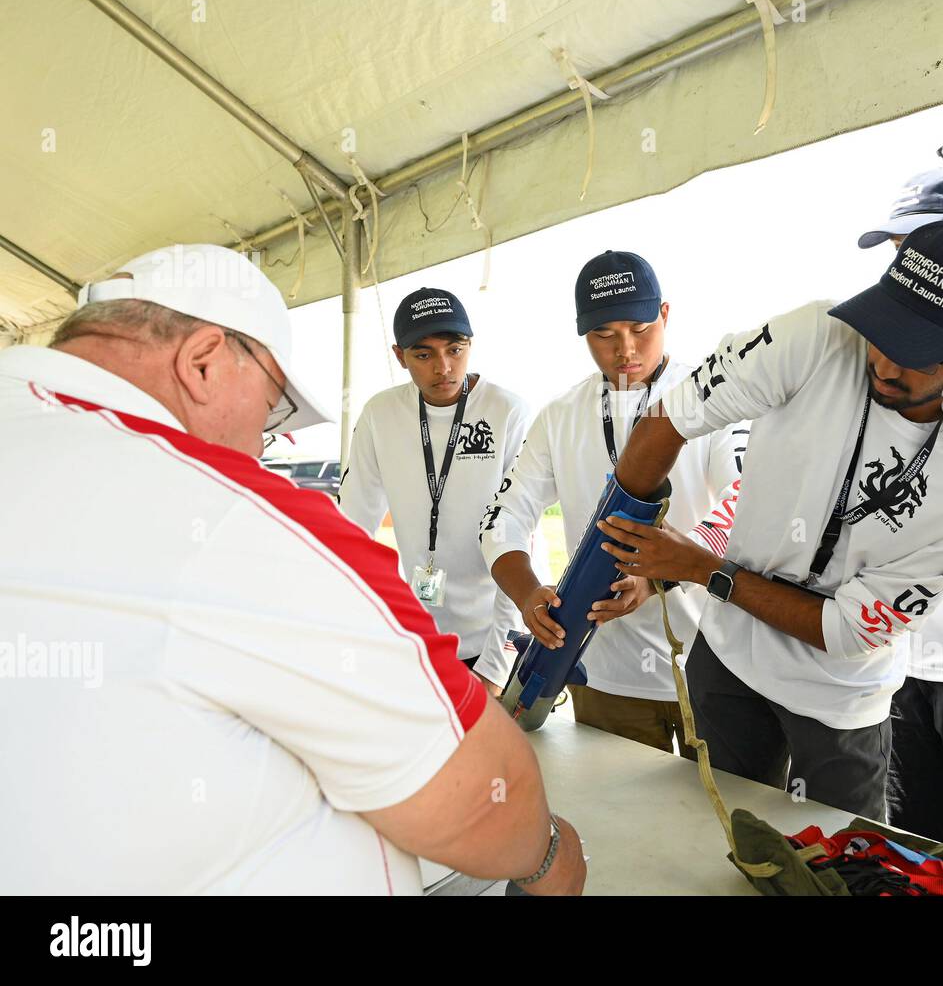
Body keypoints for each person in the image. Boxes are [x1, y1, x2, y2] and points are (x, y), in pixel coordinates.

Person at [0, 244, 583, 895]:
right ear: (202, 362)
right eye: (274, 410)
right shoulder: (232, 514)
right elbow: (481, 794)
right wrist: (549, 855)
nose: (262, 444)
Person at [600, 219, 943, 819]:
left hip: (840, 701)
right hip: (727, 659)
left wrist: (702, 570)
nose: (885, 360)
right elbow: (672, 417)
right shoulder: (815, 337)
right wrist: (614, 541)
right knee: (711, 846)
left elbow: (847, 631)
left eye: (918, 353)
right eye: (885, 328)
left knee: (845, 869)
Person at [481, 250, 747, 755]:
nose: (625, 348)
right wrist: (527, 592)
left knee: (720, 825)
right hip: (603, 676)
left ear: (665, 315)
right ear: (583, 334)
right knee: (623, 828)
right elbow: (503, 517)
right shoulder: (559, 416)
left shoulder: (712, 397)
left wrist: (658, 575)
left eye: (640, 327)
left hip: (714, 668)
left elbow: (743, 503)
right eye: (604, 335)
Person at [859, 169, 943, 840]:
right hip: (899, 660)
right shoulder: (887, 357)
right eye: (895, 257)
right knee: (919, 856)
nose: (903, 274)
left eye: (913, 251)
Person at [339, 287, 529, 694]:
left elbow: (518, 538)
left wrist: (495, 668)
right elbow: (352, 528)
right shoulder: (381, 414)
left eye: (455, 350)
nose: (443, 367)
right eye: (423, 355)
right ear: (399, 356)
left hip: (493, 639)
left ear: (470, 345)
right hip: (418, 641)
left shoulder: (506, 411)